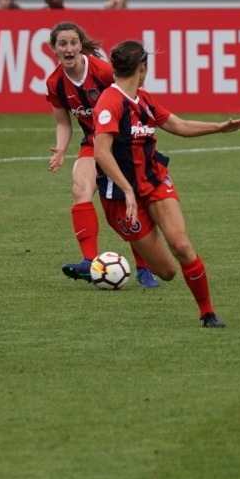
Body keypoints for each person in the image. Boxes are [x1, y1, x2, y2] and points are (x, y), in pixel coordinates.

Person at [93, 39, 240, 326]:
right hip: (120, 198)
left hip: (154, 181)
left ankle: (208, 313)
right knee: (167, 271)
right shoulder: (110, 101)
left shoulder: (144, 99)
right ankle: (143, 236)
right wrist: (128, 190)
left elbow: (177, 125)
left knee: (181, 245)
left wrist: (219, 128)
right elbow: (101, 152)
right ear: (143, 67)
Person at [45, 22, 158, 286]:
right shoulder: (54, 83)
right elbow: (63, 122)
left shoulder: (103, 70)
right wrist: (61, 149)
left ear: (81, 44)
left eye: (73, 42)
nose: (69, 48)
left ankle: (143, 267)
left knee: (126, 202)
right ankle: (88, 261)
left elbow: (132, 94)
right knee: (80, 189)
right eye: (63, 44)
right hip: (93, 143)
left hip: (123, 142)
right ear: (54, 50)